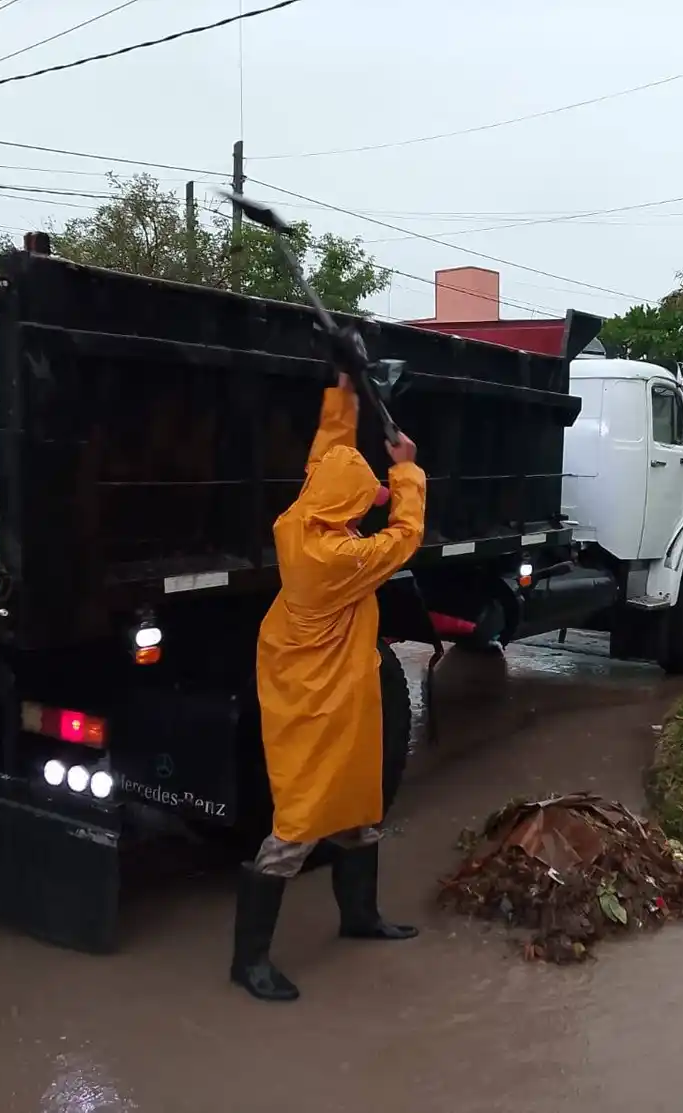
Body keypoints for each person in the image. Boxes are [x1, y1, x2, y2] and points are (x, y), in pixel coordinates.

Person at [232, 346, 425, 1004]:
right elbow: (403, 537)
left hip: (333, 687)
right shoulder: (338, 557)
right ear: (348, 507)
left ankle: (360, 916)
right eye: (363, 495)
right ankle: (248, 959)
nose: (366, 503)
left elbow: (328, 451)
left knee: (355, 802)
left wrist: (344, 387)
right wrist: (407, 472)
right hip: (316, 700)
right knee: (299, 819)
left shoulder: (303, 516)